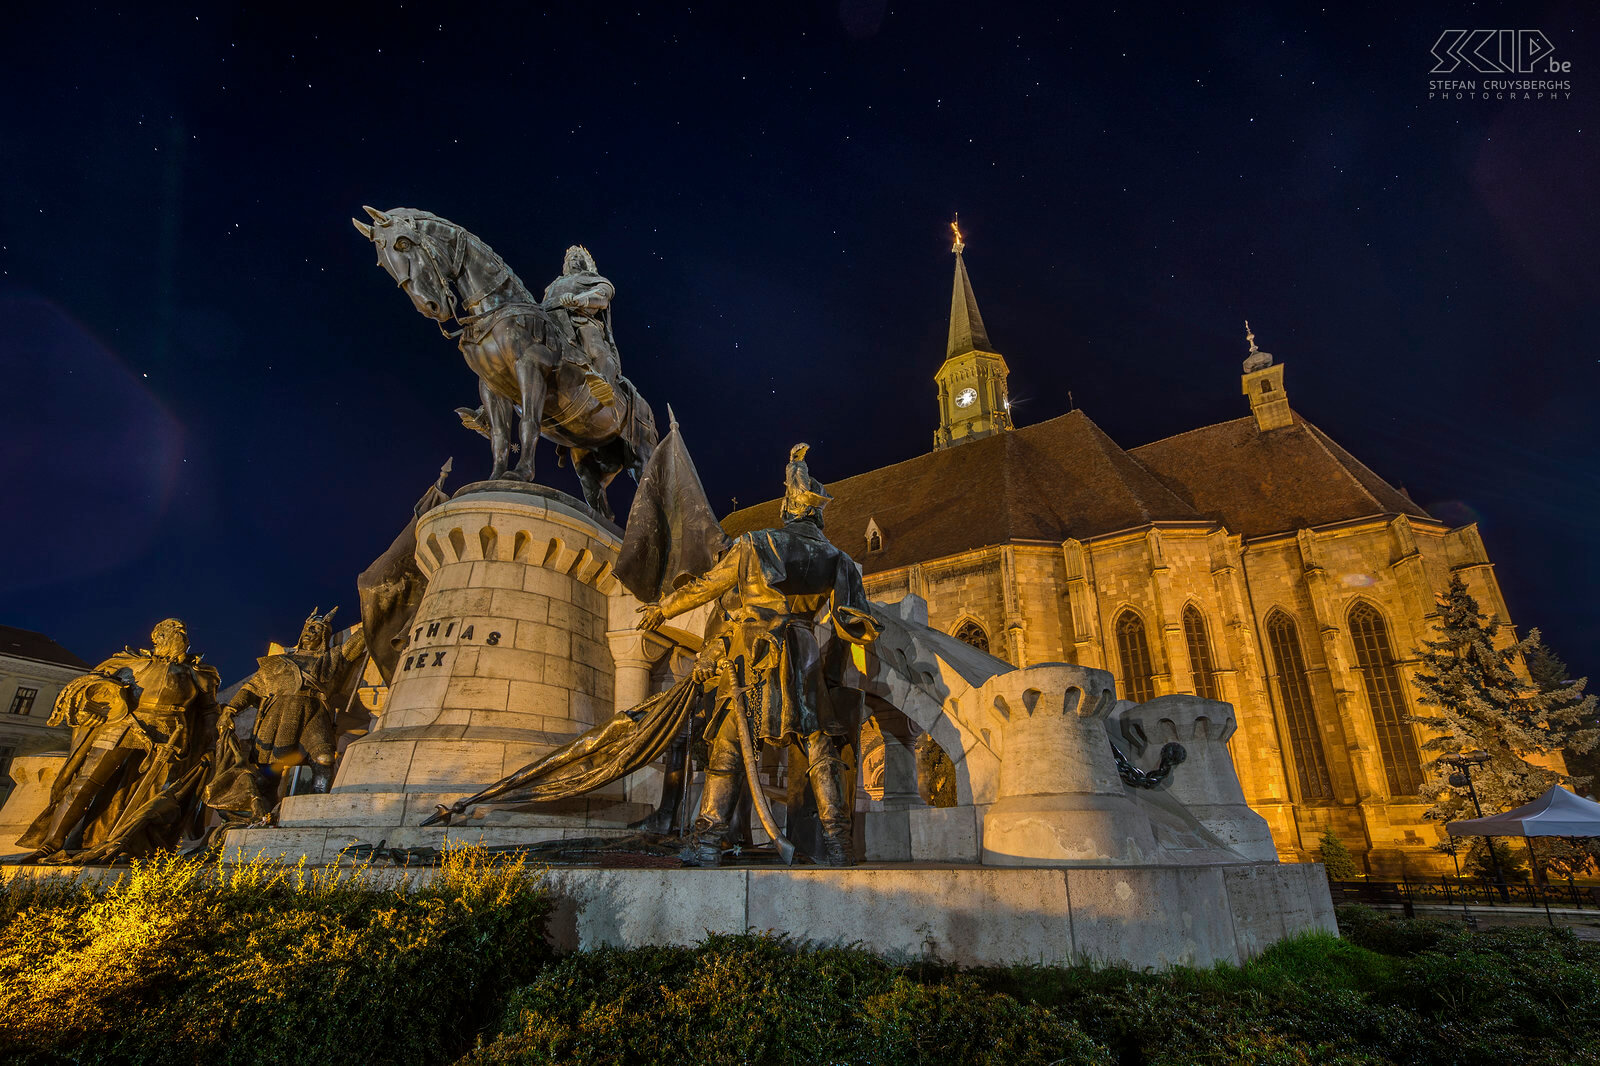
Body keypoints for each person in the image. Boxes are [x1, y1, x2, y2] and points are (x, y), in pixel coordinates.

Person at [637, 444, 880, 866]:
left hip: (755, 656)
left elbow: (707, 586)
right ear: (817, 513)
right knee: (819, 747)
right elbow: (853, 622)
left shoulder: (755, 543)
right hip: (802, 654)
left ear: (787, 507)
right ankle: (839, 846)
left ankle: (709, 841)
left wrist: (663, 609)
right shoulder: (836, 558)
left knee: (730, 745)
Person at [16, 618, 219, 862]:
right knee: (84, 784)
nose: (180, 637)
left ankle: (132, 847)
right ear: (158, 638)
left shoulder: (199, 673)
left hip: (171, 734)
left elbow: (209, 712)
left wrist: (209, 745)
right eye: (172, 632)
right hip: (124, 725)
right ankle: (52, 843)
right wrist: (91, 705)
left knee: (155, 798)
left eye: (182, 634)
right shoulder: (129, 663)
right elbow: (90, 687)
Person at [221, 607, 365, 797]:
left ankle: (315, 807)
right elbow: (251, 688)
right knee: (268, 772)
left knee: (324, 758)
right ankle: (264, 816)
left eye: (317, 629)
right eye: (309, 628)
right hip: (278, 714)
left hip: (313, 713)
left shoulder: (330, 658)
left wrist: (372, 617)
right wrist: (230, 710)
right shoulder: (277, 662)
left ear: (324, 637)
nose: (310, 632)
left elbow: (354, 645)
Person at [541, 244, 620, 403]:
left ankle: (604, 382)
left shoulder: (593, 279)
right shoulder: (553, 286)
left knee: (596, 349)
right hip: (551, 322)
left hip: (580, 321)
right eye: (571, 258)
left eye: (578, 257)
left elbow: (603, 297)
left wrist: (579, 300)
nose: (574, 260)